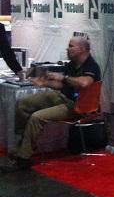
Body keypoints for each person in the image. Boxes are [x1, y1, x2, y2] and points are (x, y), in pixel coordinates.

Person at [0, 36, 101, 172]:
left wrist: (62, 77)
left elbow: (84, 83)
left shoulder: (91, 66)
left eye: (71, 46)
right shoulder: (72, 64)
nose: (67, 49)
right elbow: (62, 85)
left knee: (36, 117)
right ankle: (25, 141)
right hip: (62, 97)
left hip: (77, 106)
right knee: (23, 103)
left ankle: (23, 158)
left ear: (82, 49)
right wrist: (44, 83)